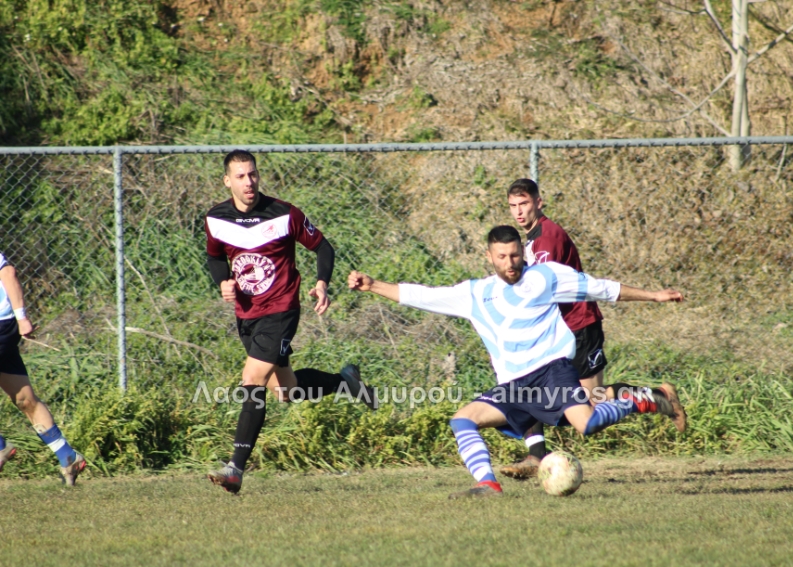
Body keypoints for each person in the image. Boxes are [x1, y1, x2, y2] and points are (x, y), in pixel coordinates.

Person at [348, 225, 686, 498]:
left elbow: (601, 288)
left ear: (523, 252)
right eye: (502, 257)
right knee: (463, 420)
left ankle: (648, 400)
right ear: (489, 256)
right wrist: (374, 285)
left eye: (514, 255)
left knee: (587, 424)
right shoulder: (474, 293)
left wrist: (653, 296)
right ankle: (487, 484)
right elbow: (422, 295)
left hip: (552, 372)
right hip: (514, 387)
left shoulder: (546, 277)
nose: (510, 263)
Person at [205, 150, 378, 495]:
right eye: (240, 176)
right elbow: (214, 257)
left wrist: (322, 284)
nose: (249, 182)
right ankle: (345, 382)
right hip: (247, 315)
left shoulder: (284, 213)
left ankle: (235, 469)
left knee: (252, 379)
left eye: (252, 174)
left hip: (281, 311)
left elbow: (324, 248)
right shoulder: (216, 218)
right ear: (227, 181)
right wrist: (222, 281)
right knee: (286, 391)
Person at [502, 179, 687, 478]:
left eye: (524, 204)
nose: (519, 211)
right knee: (529, 383)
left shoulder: (547, 238)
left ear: (539, 202)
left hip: (579, 326)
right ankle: (536, 455)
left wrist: (653, 296)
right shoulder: (532, 240)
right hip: (556, 330)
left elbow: (544, 286)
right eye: (513, 206)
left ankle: (656, 396)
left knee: (591, 401)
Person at [0, 252, 87, 485]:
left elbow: (7, 272)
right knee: (24, 399)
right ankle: (67, 456)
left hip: (1, 323)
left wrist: (22, 318)